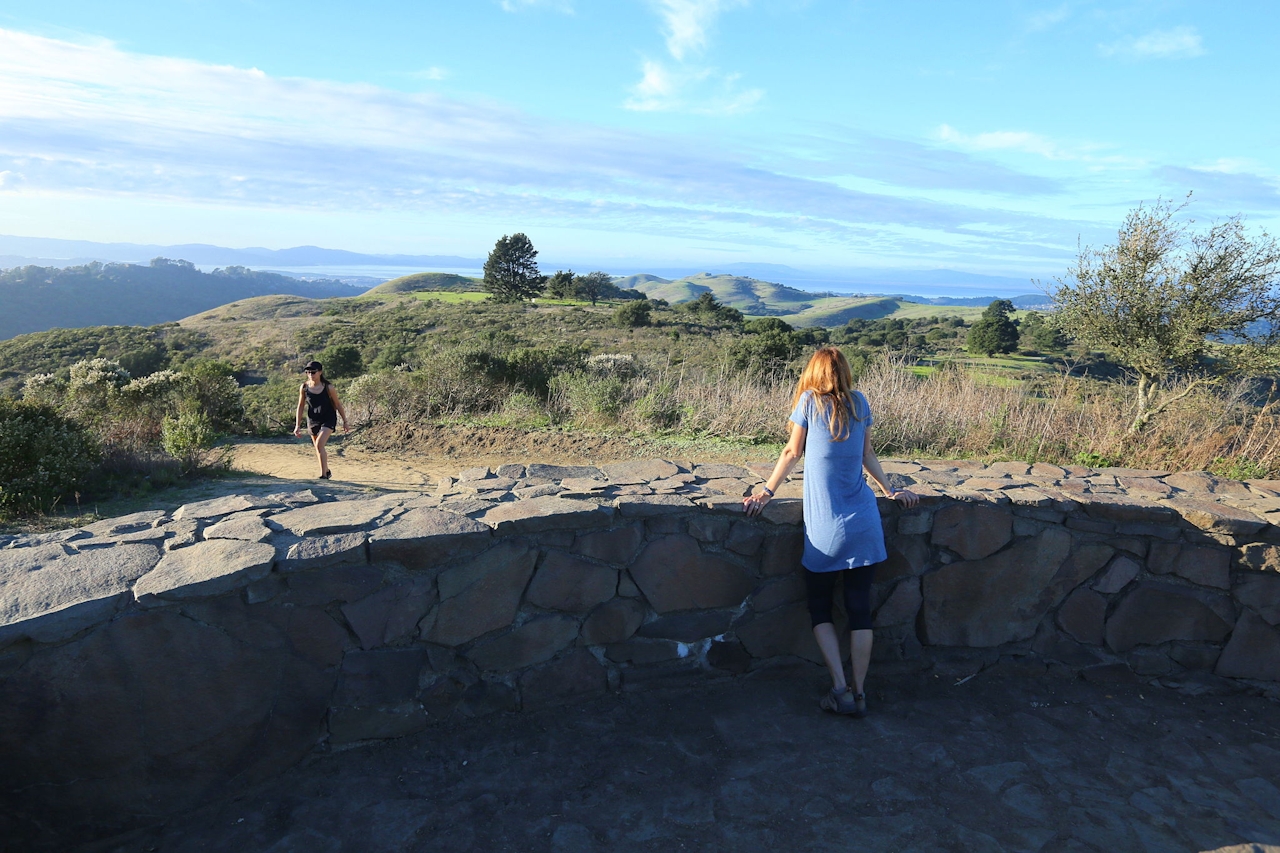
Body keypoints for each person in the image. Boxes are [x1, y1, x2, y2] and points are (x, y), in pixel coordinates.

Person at [744, 346, 918, 717]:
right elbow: (867, 455)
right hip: (865, 523)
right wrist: (890, 490)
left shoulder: (808, 402)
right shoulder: (860, 402)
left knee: (820, 608)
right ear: (845, 372)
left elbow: (791, 452)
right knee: (859, 610)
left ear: (814, 372)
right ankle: (860, 693)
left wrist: (766, 492)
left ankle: (839, 688)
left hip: (826, 529)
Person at [293, 360, 349, 479]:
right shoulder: (304, 387)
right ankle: (326, 470)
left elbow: (338, 404)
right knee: (318, 448)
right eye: (308, 372)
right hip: (313, 419)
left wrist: (345, 421)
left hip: (328, 418)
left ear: (320, 372)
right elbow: (301, 406)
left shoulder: (328, 387)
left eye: (313, 372)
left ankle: (323, 476)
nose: (310, 374)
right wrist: (297, 425)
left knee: (319, 444)